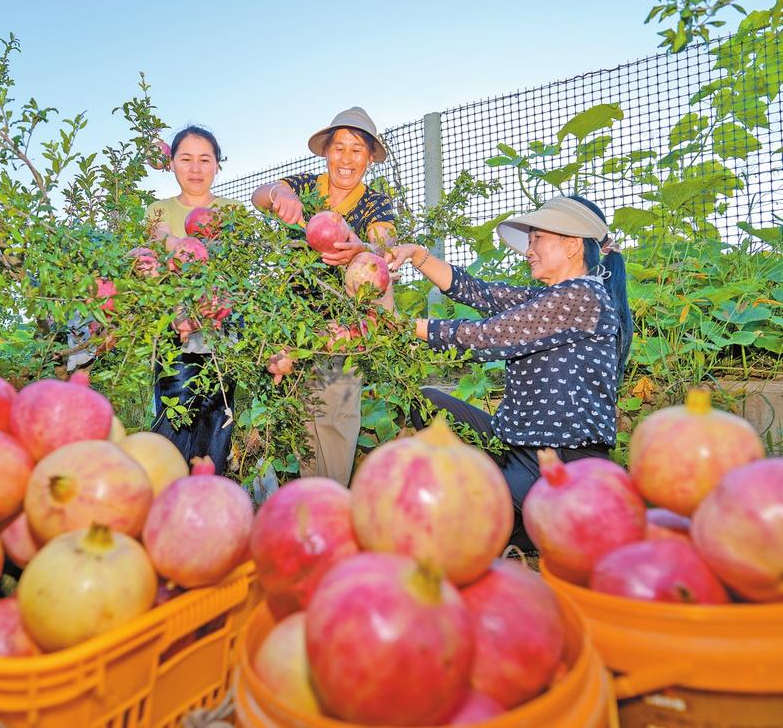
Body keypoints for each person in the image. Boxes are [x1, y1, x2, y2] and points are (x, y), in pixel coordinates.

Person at [387, 195, 633, 548]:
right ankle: (514, 515)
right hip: (515, 446)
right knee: (428, 404)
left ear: (572, 245)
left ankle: (538, 520)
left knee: (466, 530)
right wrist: (416, 255)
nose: (528, 251)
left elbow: (489, 337)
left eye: (537, 239)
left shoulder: (583, 297)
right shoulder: (552, 297)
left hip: (561, 460)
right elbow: (482, 293)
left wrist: (400, 326)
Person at [251, 107, 397, 486]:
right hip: (294, 324)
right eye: (339, 148)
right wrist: (280, 194)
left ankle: (329, 499)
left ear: (369, 158)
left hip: (344, 326)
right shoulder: (306, 187)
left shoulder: (375, 203)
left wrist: (361, 248)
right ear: (326, 152)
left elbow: (384, 247)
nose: (347, 159)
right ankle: (308, 501)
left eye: (357, 150)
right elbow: (259, 195)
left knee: (336, 416)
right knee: (303, 419)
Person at [146, 126, 243, 475]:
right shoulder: (159, 209)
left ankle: (207, 490)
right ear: (171, 163)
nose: (196, 168)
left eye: (205, 159)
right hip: (176, 327)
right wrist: (175, 244)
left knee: (216, 413)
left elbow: (234, 272)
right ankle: (168, 490)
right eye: (186, 159)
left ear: (217, 164)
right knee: (174, 414)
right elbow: (157, 240)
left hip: (221, 324)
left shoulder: (232, 211)